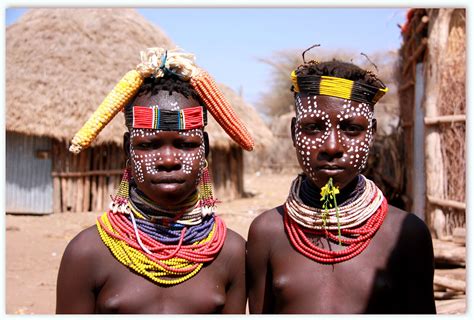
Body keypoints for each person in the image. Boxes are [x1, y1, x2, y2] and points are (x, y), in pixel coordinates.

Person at [56, 48, 253, 314]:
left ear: (204, 148)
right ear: (128, 150)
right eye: (149, 144)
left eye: (185, 144)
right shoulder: (87, 254)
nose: (168, 160)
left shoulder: (231, 252)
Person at [246, 53, 436, 314]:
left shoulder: (406, 234)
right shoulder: (267, 233)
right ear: (293, 133)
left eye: (351, 129)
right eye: (312, 127)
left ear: (372, 133)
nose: (332, 147)